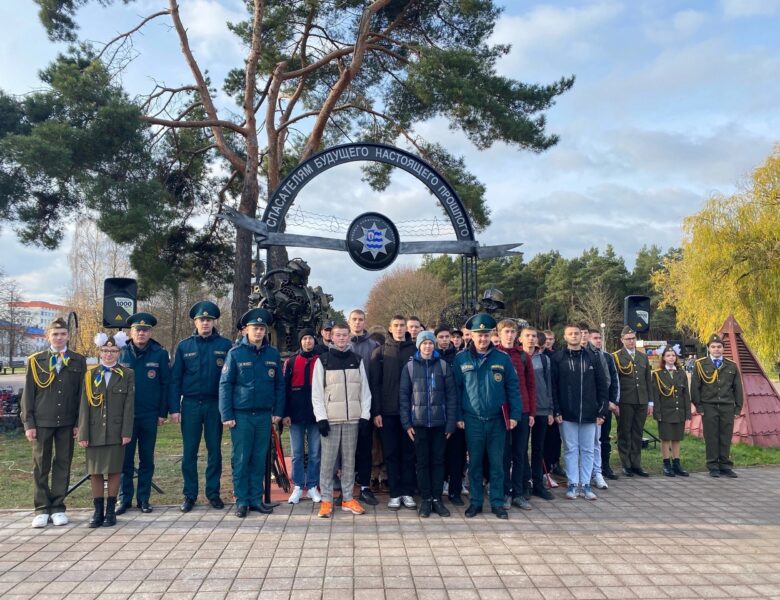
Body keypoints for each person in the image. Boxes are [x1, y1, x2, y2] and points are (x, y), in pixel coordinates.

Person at [454, 313, 521, 519]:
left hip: (497, 421)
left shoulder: (502, 359)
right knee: (474, 464)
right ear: (471, 336)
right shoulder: (460, 359)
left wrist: (515, 414)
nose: (482, 339)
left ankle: (497, 502)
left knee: (497, 464)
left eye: (485, 335)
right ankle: (475, 502)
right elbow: (456, 391)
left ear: (492, 336)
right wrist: (458, 416)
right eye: (478, 335)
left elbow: (513, 388)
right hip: (472, 420)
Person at [21, 318, 86, 528]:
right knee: (41, 465)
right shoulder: (35, 360)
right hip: (42, 421)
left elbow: (81, 396)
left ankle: (58, 506)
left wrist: (79, 422)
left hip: (67, 421)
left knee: (63, 464)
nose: (59, 338)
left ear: (68, 336)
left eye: (63, 334)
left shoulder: (78, 360)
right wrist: (29, 423)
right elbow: (28, 395)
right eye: (55, 334)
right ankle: (41, 508)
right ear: (47, 336)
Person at [219, 308, 285, 517]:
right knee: (241, 458)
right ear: (246, 330)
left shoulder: (272, 354)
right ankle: (242, 500)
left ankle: (256, 499)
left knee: (259, 458)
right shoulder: (235, 353)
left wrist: (278, 411)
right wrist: (226, 414)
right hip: (242, 415)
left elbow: (279, 386)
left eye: (262, 328)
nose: (258, 332)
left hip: (264, 415)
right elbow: (225, 385)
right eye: (255, 328)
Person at [170, 301, 233, 512]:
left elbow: (230, 380)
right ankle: (189, 495)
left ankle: (213, 493)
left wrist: (227, 409)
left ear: (214, 321)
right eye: (201, 320)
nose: (205, 323)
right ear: (195, 322)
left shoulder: (225, 346)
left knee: (215, 451)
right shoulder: (184, 346)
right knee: (190, 452)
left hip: (215, 404)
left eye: (208, 319)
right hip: (190, 405)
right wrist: (174, 409)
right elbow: (175, 379)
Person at [312, 322, 372, 517]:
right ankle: (327, 500)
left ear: (349, 337)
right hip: (331, 419)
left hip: (352, 420)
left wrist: (364, 416)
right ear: (332, 337)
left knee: (349, 463)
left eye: (344, 335)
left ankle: (347, 498)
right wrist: (321, 418)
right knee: (328, 463)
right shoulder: (323, 360)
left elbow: (365, 391)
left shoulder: (357, 359)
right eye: (338, 335)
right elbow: (317, 393)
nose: (341, 338)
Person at [78, 333, 135, 527]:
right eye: (105, 350)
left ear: (119, 353)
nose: (108, 354)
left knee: (114, 471)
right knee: (95, 472)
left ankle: (111, 511)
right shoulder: (90, 374)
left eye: (113, 351)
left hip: (115, 430)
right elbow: (84, 405)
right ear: (99, 352)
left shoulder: (127, 374)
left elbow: (129, 405)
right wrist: (83, 432)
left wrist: (126, 431)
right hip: (94, 431)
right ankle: (97, 511)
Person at [117, 312, 170, 515]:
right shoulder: (121, 352)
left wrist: (162, 412)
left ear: (150, 332)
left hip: (149, 414)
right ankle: (124, 499)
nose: (141, 333)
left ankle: (144, 499)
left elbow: (165, 384)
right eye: (138, 330)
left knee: (147, 459)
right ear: (131, 331)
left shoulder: (159, 353)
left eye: (145, 330)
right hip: (125, 416)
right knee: (125, 460)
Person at [399, 331, 458, 517]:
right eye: (424, 343)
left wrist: (450, 424)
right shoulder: (409, 367)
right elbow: (403, 397)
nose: (427, 346)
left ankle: (437, 499)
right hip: (418, 424)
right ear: (418, 345)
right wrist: (407, 423)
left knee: (439, 462)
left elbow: (451, 396)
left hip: (440, 423)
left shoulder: (443, 366)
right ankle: (425, 499)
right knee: (422, 462)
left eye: (430, 343)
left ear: (434, 346)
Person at [550, 324, 608, 500]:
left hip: (590, 413)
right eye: (570, 334)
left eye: (577, 333)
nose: (574, 336)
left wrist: (602, 410)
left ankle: (586, 484)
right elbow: (553, 386)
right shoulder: (558, 358)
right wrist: (557, 409)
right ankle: (573, 483)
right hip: (567, 413)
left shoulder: (592, 357)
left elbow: (602, 385)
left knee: (588, 449)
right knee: (570, 449)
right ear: (565, 336)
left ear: (583, 336)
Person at [370, 315, 418, 510]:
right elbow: (375, 384)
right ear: (390, 328)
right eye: (396, 326)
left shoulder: (415, 350)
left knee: (408, 453)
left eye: (402, 326)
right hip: (387, 412)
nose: (399, 329)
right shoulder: (379, 352)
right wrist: (377, 412)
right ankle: (395, 493)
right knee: (391, 454)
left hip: (411, 413)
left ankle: (407, 492)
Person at [495, 319, 535, 511]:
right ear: (499, 334)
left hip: (523, 411)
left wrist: (532, 412)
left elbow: (530, 386)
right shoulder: (494, 355)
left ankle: (519, 493)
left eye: (512, 332)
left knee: (520, 454)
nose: (509, 335)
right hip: (502, 412)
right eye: (506, 332)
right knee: (504, 455)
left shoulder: (524, 356)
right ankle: (505, 492)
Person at [691, 334, 744, 478]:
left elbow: (738, 388)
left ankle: (725, 465)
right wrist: (699, 406)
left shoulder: (731, 365)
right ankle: (713, 465)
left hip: (727, 406)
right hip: (709, 406)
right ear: (708, 348)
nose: (716, 349)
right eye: (713, 347)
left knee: (726, 436)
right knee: (711, 436)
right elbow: (695, 387)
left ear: (723, 348)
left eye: (719, 347)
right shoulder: (700, 365)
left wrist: (738, 407)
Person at [283, 328, 322, 504]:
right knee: (297, 452)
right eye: (304, 339)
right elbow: (284, 389)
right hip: (296, 414)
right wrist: (285, 413)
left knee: (315, 453)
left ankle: (312, 485)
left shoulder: (320, 360)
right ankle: (298, 485)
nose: (308, 342)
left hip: (315, 414)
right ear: (300, 341)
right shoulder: (291, 362)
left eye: (310, 338)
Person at [346, 309, 380, 506]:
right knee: (348, 450)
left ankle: (365, 487)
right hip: (346, 405)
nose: (357, 323)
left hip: (366, 404)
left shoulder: (373, 345)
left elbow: (376, 379)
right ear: (349, 322)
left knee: (366, 448)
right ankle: (347, 487)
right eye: (354, 320)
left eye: (360, 320)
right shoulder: (342, 344)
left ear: (365, 321)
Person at [520, 326, 556, 501]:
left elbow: (549, 385)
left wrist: (550, 410)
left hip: (542, 409)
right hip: (524, 409)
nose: (531, 339)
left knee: (538, 448)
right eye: (527, 336)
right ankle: (525, 483)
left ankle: (538, 483)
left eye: (533, 336)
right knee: (521, 448)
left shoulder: (544, 360)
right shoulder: (517, 358)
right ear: (521, 338)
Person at [612, 326, 653, 477]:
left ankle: (636, 464)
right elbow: (614, 381)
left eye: (633, 338)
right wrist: (615, 402)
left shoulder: (642, 357)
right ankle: (626, 464)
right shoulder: (616, 357)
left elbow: (648, 380)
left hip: (641, 400)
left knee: (637, 432)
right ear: (622, 340)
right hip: (625, 400)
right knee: (624, 432)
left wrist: (650, 402)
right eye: (628, 339)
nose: (631, 341)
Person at [587, 328, 620, 486]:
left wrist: (612, 401)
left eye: (599, 338)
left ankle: (605, 467)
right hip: (590, 403)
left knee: (604, 437)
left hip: (605, 403)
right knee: (589, 440)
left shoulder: (606, 357)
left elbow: (613, 380)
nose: (598, 341)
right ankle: (587, 470)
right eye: (595, 338)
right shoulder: (585, 355)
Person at [652, 347, 691, 477]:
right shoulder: (657, 374)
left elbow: (686, 394)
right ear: (663, 358)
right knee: (665, 438)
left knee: (676, 438)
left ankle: (676, 463)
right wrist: (657, 413)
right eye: (668, 355)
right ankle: (666, 464)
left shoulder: (681, 373)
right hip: (665, 411)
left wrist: (687, 412)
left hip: (678, 410)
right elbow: (656, 395)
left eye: (673, 355)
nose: (671, 358)